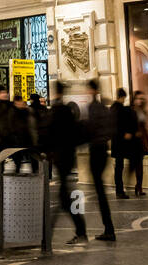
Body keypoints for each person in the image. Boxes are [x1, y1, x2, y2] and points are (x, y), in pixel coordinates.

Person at [49, 81, 87, 243]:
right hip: (68, 157)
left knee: (64, 198)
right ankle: (79, 231)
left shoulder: (57, 111)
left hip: (61, 158)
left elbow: (52, 135)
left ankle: (78, 232)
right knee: (63, 197)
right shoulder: (67, 110)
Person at [85, 78, 116, 241]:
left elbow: (89, 129)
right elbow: (110, 129)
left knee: (99, 191)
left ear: (91, 91)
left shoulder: (93, 108)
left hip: (96, 150)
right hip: (103, 149)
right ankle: (108, 227)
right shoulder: (104, 108)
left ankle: (109, 229)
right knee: (99, 190)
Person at [112, 88, 135, 199]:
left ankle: (119, 189)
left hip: (115, 143)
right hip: (121, 143)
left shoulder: (112, 108)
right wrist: (125, 133)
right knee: (119, 167)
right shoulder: (120, 109)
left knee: (118, 166)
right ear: (122, 97)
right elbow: (121, 125)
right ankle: (120, 191)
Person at [129, 90, 148, 195]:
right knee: (136, 164)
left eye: (141, 99)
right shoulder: (132, 111)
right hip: (134, 141)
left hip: (142, 140)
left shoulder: (142, 111)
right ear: (134, 99)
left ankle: (139, 186)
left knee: (139, 165)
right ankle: (136, 186)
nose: (140, 101)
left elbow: (145, 126)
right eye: (138, 98)